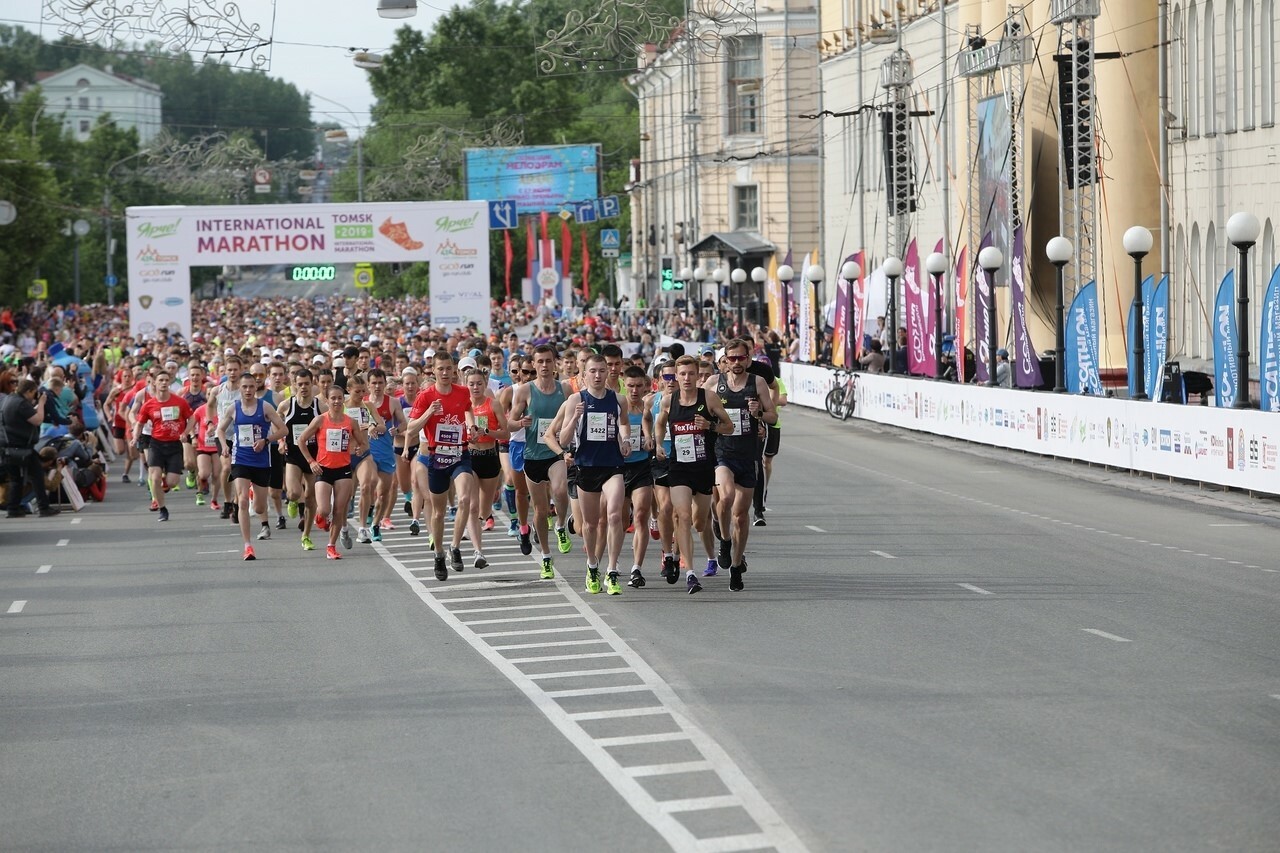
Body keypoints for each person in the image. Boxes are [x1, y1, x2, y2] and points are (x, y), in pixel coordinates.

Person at [544, 352, 632, 596]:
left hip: (612, 465)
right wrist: (575, 417)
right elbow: (562, 439)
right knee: (590, 525)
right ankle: (593, 565)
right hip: (586, 466)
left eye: (602, 371)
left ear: (608, 373)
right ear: (584, 375)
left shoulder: (618, 399)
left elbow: (624, 423)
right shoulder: (575, 399)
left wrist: (625, 440)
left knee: (615, 515)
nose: (597, 375)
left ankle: (612, 570)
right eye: (592, 371)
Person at [654, 356, 735, 593]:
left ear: (697, 376)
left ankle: (679, 556)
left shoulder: (708, 398)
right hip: (678, 466)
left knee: (700, 521)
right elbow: (660, 423)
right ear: (676, 377)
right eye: (682, 374)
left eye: (691, 374)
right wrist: (658, 444)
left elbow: (729, 427)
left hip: (703, 468)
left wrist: (710, 426)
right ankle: (689, 572)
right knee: (683, 515)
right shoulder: (669, 402)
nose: (687, 378)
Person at [705, 338, 777, 591]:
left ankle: (736, 566)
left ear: (749, 358)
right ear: (724, 359)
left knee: (741, 516)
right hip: (722, 452)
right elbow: (698, 409)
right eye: (731, 358)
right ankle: (724, 541)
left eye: (741, 358)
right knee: (725, 498)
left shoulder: (757, 383)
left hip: (748, 455)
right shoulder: (714, 383)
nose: (736, 363)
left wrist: (759, 413)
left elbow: (772, 415)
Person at [406, 351, 483, 581]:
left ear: (454, 370)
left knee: (464, 499)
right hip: (436, 456)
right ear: (433, 370)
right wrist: (429, 412)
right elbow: (410, 429)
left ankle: (455, 546)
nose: (445, 373)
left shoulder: (462, 391)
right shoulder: (425, 396)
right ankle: (439, 554)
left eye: (449, 368)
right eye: (440, 369)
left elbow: (468, 409)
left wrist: (471, 427)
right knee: (438, 513)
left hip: (461, 453)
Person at [507, 344, 573, 579]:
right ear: (533, 365)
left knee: (560, 490)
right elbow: (510, 423)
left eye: (548, 361)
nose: (545, 366)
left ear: (555, 363)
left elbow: (574, 415)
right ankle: (545, 555)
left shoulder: (564, 389)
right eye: (540, 362)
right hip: (533, 454)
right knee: (541, 510)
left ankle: (562, 524)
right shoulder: (524, 391)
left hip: (555, 451)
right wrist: (520, 423)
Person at [215, 371, 288, 560]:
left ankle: (255, 495)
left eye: (251, 386)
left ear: (256, 388)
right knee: (242, 501)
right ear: (240, 389)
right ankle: (248, 546)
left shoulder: (265, 407)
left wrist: (266, 440)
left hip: (261, 461)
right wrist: (224, 446)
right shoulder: (234, 408)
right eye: (244, 387)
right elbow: (220, 430)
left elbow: (284, 429)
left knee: (259, 508)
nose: (248, 390)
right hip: (240, 459)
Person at [297, 383, 368, 560]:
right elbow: (301, 440)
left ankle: (331, 546)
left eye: (339, 398)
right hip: (323, 469)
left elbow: (362, 443)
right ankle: (320, 517)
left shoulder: (350, 422)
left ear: (343, 400)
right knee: (323, 509)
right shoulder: (320, 420)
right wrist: (311, 461)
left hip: (343, 470)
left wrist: (359, 449)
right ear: (327, 401)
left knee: (339, 510)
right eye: (333, 398)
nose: (337, 401)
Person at [134, 370, 196, 523]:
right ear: (154, 383)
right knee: (154, 478)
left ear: (169, 382)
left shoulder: (179, 401)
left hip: (175, 445)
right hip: (156, 444)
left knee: (172, 482)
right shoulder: (149, 405)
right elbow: (140, 423)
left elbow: (192, 418)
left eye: (166, 380)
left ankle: (166, 479)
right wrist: (135, 437)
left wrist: (186, 432)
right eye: (160, 380)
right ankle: (162, 509)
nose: (163, 382)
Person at [464, 362, 510, 569]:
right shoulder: (463, 407)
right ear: (467, 386)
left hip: (490, 456)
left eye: (479, 384)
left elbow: (506, 433)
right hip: (470, 457)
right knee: (472, 506)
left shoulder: (493, 404)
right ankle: (478, 552)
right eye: (471, 384)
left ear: (485, 384)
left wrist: (487, 433)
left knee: (484, 509)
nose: (475, 388)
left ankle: (479, 520)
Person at [2, 378, 60, 517]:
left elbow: (29, 415)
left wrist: (36, 405)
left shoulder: (10, 400)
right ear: (29, 391)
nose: (34, 396)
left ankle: (13, 509)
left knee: (16, 478)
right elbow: (37, 420)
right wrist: (41, 403)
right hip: (21, 447)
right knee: (37, 475)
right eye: (34, 393)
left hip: (8, 447)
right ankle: (43, 507)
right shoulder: (21, 403)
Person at [620, 365, 656, 589]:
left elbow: (657, 430)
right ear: (625, 385)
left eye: (638, 386)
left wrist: (651, 441)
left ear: (646, 386)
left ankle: (636, 569)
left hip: (642, 467)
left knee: (641, 514)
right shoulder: (617, 406)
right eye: (630, 386)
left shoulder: (648, 408)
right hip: (618, 469)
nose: (634, 390)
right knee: (621, 521)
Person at [277, 367, 321, 551]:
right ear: (294, 385)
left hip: (313, 456)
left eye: (307, 384)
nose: (303, 387)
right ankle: (294, 500)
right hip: (293, 455)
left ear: (312, 384)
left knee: (311, 497)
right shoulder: (286, 406)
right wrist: (280, 441)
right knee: (294, 492)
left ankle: (306, 536)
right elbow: (277, 422)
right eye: (300, 384)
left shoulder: (321, 406)